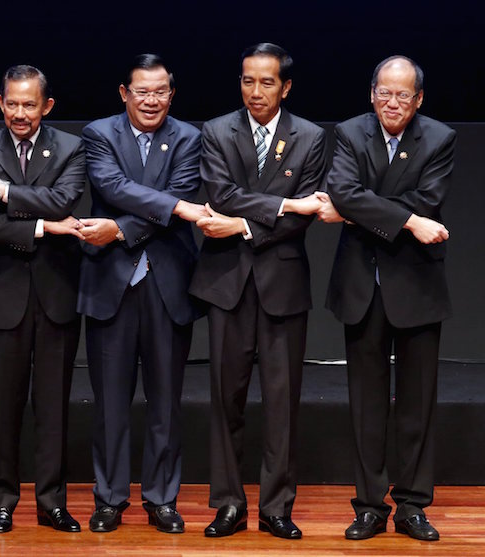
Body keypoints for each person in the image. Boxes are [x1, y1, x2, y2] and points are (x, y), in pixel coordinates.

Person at [189, 43, 326, 540]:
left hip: (282, 284)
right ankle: (228, 503)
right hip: (226, 282)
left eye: (267, 82)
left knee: (282, 403)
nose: (256, 91)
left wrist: (243, 226)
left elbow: (306, 215)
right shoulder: (216, 130)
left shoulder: (310, 136)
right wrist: (285, 205)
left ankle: (276, 506)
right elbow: (221, 194)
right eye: (248, 80)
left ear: (285, 87)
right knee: (225, 398)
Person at [317, 55, 454, 542]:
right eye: (384, 93)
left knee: (417, 404)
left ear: (419, 100)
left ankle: (412, 505)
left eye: (402, 95)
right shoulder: (350, 133)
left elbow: (426, 200)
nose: (392, 103)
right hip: (362, 284)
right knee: (366, 404)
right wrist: (408, 222)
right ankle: (370, 506)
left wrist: (355, 212)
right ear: (371, 93)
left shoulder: (439, 138)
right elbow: (342, 189)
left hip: (416, 284)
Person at [77, 54, 206, 535]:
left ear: (172, 94)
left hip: (168, 282)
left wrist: (120, 229)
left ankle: (162, 498)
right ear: (124, 93)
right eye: (142, 92)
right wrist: (174, 208)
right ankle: (109, 498)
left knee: (166, 401)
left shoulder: (189, 137)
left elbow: (181, 196)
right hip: (110, 281)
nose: (151, 101)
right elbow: (113, 187)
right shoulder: (99, 134)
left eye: (160, 92)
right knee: (110, 401)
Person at [0, 65, 86, 534]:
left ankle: (52, 501)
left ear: (46, 106)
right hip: (3, 295)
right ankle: (1, 500)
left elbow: (63, 200)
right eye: (12, 103)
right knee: (4, 405)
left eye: (29, 105)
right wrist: (42, 226)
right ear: (1, 102)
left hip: (57, 292)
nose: (20, 113)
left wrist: (3, 192)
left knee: (54, 406)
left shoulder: (71, 148)